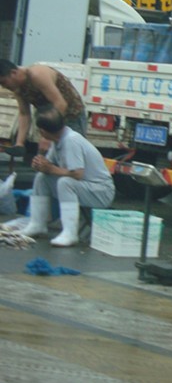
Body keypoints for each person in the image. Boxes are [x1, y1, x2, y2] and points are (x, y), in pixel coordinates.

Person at [20, 106, 115, 246]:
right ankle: (37, 223)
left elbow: (77, 173)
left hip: (101, 192)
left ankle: (70, 233)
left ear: (43, 131)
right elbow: (50, 166)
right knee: (42, 177)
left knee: (65, 183)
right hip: (85, 186)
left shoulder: (71, 140)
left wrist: (50, 168)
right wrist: (41, 165)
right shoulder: (57, 141)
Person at [0, 60, 87, 155]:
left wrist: (48, 135)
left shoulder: (37, 75)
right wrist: (19, 143)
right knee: (46, 156)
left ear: (14, 72)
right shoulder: (18, 88)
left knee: (72, 153)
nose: (4, 86)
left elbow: (60, 104)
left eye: (4, 82)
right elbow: (24, 114)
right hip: (49, 118)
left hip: (71, 115)